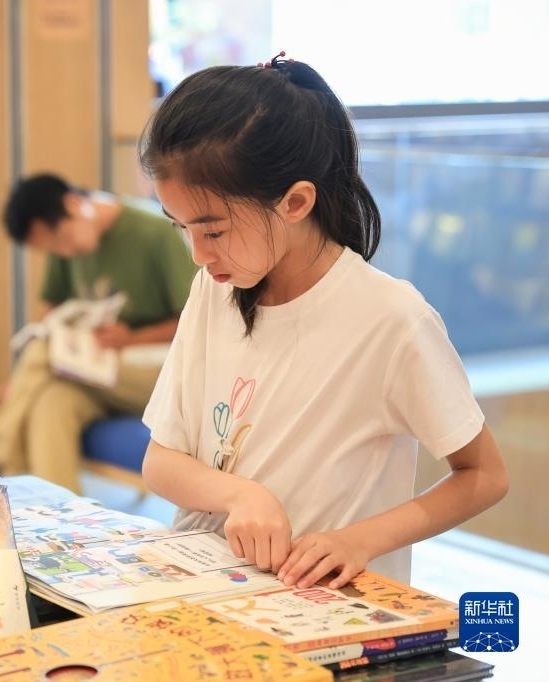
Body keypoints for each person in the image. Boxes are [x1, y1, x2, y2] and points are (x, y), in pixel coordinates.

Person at [138, 54, 509, 590]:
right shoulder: (215, 289)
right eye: (181, 228)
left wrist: (359, 540)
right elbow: (161, 461)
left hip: (323, 605)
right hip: (202, 588)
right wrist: (241, 494)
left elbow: (484, 476)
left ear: (295, 202)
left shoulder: (391, 319)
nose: (198, 254)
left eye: (213, 232)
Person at [0, 173, 199, 492]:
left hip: (157, 371)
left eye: (62, 241)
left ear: (73, 204)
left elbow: (195, 322)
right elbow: (52, 314)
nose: (65, 253)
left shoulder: (156, 232)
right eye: (54, 249)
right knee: (51, 403)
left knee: (44, 355)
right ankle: (59, 516)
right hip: (94, 372)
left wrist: (132, 339)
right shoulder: (66, 250)